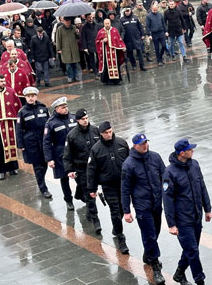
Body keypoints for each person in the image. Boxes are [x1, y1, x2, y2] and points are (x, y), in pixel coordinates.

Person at [163, 139, 212, 285]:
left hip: (196, 215)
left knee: (191, 248)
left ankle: (179, 273)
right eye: (190, 150)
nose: (193, 151)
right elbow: (167, 200)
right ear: (182, 153)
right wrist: (171, 224)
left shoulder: (194, 165)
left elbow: (202, 186)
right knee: (193, 251)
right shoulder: (169, 172)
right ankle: (200, 281)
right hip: (182, 219)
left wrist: (207, 208)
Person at [121, 133, 166, 283]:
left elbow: (165, 177)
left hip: (156, 203)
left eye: (146, 142)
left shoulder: (155, 157)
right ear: (135, 146)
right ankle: (155, 267)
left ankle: (148, 253)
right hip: (142, 206)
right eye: (141, 144)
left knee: (156, 231)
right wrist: (126, 211)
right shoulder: (128, 164)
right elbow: (125, 189)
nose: (145, 145)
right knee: (149, 234)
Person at [87, 120, 130, 254]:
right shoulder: (96, 149)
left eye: (110, 131)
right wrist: (92, 188)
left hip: (123, 184)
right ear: (101, 133)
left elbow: (130, 162)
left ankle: (116, 227)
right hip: (108, 185)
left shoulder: (122, 143)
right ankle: (120, 237)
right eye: (106, 133)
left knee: (123, 208)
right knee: (115, 211)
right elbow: (92, 170)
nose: (109, 134)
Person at [63, 109, 102, 233]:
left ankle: (89, 209)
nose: (85, 121)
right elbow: (67, 155)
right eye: (82, 119)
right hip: (82, 169)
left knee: (94, 191)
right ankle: (96, 219)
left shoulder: (95, 130)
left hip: (96, 167)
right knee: (90, 194)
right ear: (77, 120)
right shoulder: (72, 135)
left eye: (86, 118)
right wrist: (69, 170)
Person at [16, 87, 51, 198]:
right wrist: (21, 145)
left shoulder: (43, 108)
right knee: (37, 166)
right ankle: (43, 189)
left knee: (45, 164)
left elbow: (49, 124)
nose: (30, 98)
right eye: (28, 96)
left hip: (44, 141)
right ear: (25, 98)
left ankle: (41, 180)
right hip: (31, 143)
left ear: (36, 96)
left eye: (32, 96)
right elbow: (19, 129)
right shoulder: (22, 112)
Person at [43, 97, 78, 210]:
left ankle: (81, 194)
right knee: (64, 179)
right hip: (60, 155)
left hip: (75, 153)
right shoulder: (51, 123)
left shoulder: (73, 118)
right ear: (56, 109)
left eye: (66, 106)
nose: (66, 109)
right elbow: (46, 142)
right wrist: (49, 159)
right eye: (63, 107)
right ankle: (68, 200)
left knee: (80, 176)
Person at [96, 18, 127, 84]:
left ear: (110, 23)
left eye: (108, 23)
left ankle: (116, 80)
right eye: (105, 24)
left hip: (114, 52)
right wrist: (102, 41)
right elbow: (97, 42)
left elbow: (119, 39)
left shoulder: (114, 30)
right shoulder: (100, 32)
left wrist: (123, 46)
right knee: (106, 66)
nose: (107, 25)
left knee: (116, 65)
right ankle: (107, 81)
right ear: (104, 24)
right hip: (105, 53)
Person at [55, 17, 81, 83]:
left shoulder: (74, 27)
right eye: (66, 21)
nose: (68, 22)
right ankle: (70, 77)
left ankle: (76, 76)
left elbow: (78, 37)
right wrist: (58, 48)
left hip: (74, 49)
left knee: (75, 64)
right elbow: (58, 39)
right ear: (63, 21)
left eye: (69, 21)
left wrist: (77, 33)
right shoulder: (60, 29)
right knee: (68, 65)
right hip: (65, 49)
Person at [121, 7, 146, 71]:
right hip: (128, 39)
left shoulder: (135, 17)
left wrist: (142, 34)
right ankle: (133, 65)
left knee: (139, 51)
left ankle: (142, 65)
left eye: (128, 11)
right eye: (126, 11)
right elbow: (121, 30)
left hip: (136, 38)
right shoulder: (122, 20)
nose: (127, 12)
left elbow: (140, 27)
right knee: (130, 53)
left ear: (130, 11)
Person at [146, 2, 168, 66]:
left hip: (161, 32)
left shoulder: (160, 14)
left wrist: (165, 31)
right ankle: (159, 60)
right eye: (154, 10)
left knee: (164, 45)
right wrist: (149, 35)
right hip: (154, 33)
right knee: (157, 48)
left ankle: (160, 56)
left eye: (156, 10)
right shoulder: (149, 16)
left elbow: (163, 23)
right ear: (152, 9)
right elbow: (148, 26)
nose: (155, 11)